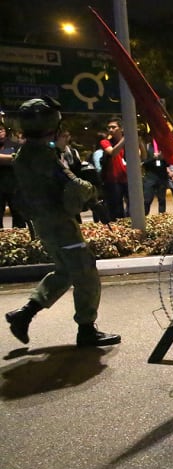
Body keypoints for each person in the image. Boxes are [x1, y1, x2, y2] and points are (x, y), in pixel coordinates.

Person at [5, 97, 120, 347]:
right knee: (86, 273)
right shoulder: (44, 154)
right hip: (59, 224)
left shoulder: (24, 153)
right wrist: (91, 189)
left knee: (65, 272)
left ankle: (23, 315)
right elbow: (73, 185)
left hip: (44, 223)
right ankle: (86, 330)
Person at [99, 118, 128, 221]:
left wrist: (138, 141)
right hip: (113, 180)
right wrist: (125, 138)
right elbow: (113, 152)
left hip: (128, 179)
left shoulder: (129, 143)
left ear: (121, 128)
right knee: (116, 209)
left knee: (134, 206)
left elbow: (141, 155)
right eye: (109, 127)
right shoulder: (105, 142)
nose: (111, 129)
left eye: (114, 127)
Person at [0, 123, 25, 228]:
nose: (0, 132)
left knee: (19, 215)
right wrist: (9, 158)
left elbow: (19, 160)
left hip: (14, 186)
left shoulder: (14, 144)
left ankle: (22, 240)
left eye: (1, 130)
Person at [142, 135, 169, 215]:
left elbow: (169, 163)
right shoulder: (146, 147)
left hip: (162, 177)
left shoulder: (164, 149)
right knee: (147, 199)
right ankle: (145, 216)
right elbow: (143, 163)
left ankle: (161, 216)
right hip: (150, 177)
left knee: (162, 199)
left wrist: (163, 158)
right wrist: (154, 158)